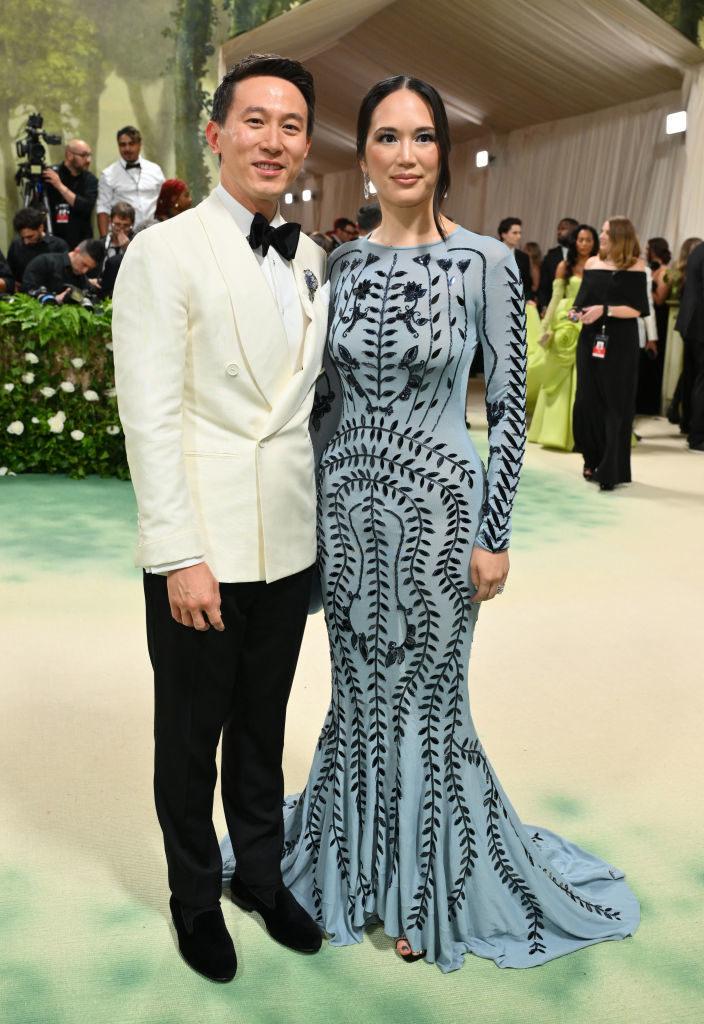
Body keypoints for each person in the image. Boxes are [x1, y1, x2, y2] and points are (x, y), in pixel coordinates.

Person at [222, 75, 640, 973]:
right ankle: (353, 874)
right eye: (386, 138)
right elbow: (321, 404)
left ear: (442, 153)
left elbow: (514, 412)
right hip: (345, 513)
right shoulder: (340, 265)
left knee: (428, 704)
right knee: (358, 699)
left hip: (443, 516)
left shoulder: (487, 262)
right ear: (364, 154)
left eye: (421, 138)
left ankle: (426, 891)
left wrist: (496, 533)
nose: (404, 155)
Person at [112, 53, 328, 984]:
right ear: (215, 135)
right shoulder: (164, 251)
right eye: (254, 121)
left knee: (262, 724)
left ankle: (260, 876)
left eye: (290, 125)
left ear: (306, 144)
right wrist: (177, 556)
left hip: (287, 540)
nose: (272, 139)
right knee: (189, 732)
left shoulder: (313, 257)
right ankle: (195, 895)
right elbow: (149, 416)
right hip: (202, 546)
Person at [572, 217, 650, 489]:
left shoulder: (636, 266)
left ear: (619, 236)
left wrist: (605, 310)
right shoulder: (592, 263)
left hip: (620, 341)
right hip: (590, 338)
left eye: (605, 232)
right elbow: (582, 301)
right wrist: (577, 312)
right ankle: (590, 458)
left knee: (616, 404)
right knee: (586, 402)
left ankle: (610, 468)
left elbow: (638, 309)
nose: (601, 235)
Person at [526, 224, 598, 450]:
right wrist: (545, 327)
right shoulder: (563, 266)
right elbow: (556, 298)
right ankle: (555, 431)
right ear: (574, 242)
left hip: (590, 321)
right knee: (559, 377)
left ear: (594, 243)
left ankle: (584, 433)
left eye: (588, 240)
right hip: (564, 323)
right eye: (580, 240)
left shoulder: (599, 265)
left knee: (588, 377)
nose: (584, 244)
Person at [96, 126, 165, 237]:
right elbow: (103, 208)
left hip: (153, 232)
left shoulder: (155, 170)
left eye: (131, 144)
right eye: (122, 145)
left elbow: (164, 202)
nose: (127, 149)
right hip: (122, 235)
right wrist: (104, 242)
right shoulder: (108, 174)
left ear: (140, 144)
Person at [635, 237, 671, 415]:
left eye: (648, 248)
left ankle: (649, 404)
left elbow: (659, 299)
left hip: (659, 319)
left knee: (653, 363)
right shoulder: (649, 270)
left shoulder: (665, 272)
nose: (645, 251)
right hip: (646, 317)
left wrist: (645, 286)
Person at [674, 240, 704, 451]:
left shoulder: (698, 251)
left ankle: (688, 424)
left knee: (692, 375)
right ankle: (698, 436)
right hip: (700, 324)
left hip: (692, 323)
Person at [42, 139, 98, 248]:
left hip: (80, 242)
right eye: (84, 156)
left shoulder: (90, 180)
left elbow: (86, 206)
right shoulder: (51, 175)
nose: (88, 160)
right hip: (53, 240)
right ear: (69, 155)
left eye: (89, 155)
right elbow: (38, 203)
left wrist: (59, 186)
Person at [22, 238, 103, 298]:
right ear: (76, 252)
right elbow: (27, 293)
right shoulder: (43, 263)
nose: (84, 271)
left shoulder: (82, 278)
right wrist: (55, 299)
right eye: (84, 264)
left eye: (89, 268)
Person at [7, 208, 68, 284]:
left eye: (30, 237)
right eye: (23, 238)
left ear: (41, 228)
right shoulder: (16, 244)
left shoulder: (58, 246)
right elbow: (9, 273)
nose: (26, 242)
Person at [537, 217, 579, 312]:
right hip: (553, 309)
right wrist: (544, 306)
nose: (559, 232)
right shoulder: (551, 256)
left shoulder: (582, 256)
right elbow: (543, 287)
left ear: (574, 232)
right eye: (558, 229)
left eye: (563, 229)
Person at [498, 216, 533, 300]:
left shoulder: (524, 257)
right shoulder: (492, 253)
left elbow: (527, 284)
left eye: (520, 233)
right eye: (515, 233)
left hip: (517, 300)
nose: (519, 236)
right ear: (503, 234)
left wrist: (528, 299)